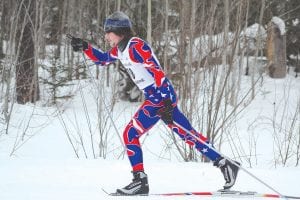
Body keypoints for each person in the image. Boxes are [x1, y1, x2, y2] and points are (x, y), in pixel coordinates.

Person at [70, 11, 240, 196]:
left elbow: (157, 71)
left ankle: (139, 181)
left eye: (108, 32)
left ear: (118, 31)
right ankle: (225, 164)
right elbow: (102, 60)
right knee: (188, 134)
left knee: (130, 133)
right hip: (158, 96)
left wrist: (166, 101)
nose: (106, 36)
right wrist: (85, 47)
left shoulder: (136, 46)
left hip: (159, 96)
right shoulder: (121, 49)